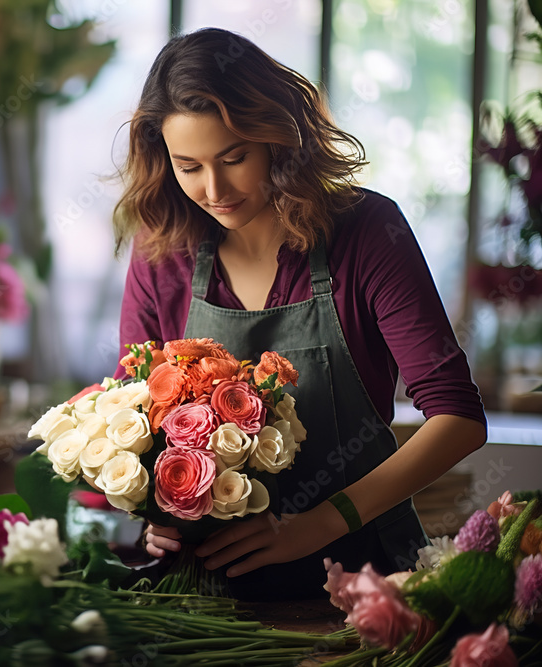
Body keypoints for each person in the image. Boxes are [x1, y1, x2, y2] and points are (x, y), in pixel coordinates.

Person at [113, 27, 487, 601]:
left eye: (234, 158)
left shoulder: (366, 233)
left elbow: (458, 418)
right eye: (189, 166)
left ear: (277, 139)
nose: (215, 189)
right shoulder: (163, 251)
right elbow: (131, 418)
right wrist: (153, 515)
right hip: (205, 591)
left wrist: (318, 525)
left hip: (360, 580)